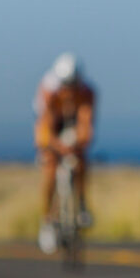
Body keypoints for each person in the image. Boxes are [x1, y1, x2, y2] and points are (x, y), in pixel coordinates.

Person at [33, 52, 96, 254]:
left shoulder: (87, 92)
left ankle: (82, 204)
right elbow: (45, 130)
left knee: (81, 158)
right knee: (50, 165)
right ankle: (48, 219)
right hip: (53, 124)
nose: (68, 91)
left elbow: (86, 125)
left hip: (72, 124)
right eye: (65, 86)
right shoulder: (48, 91)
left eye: (72, 86)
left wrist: (80, 142)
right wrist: (57, 147)